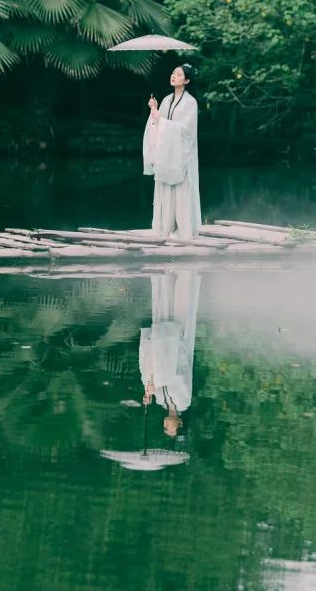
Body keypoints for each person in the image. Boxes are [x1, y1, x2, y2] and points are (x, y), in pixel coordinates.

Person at [143, 64, 202, 240]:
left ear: (187, 80)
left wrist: (163, 121)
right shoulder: (167, 100)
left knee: (182, 192)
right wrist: (154, 109)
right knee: (165, 190)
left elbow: (187, 131)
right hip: (167, 154)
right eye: (173, 73)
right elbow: (158, 125)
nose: (174, 76)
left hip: (182, 155)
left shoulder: (190, 102)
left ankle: (183, 231)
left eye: (179, 74)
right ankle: (165, 229)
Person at [140, 270, 201, 437]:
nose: (166, 426)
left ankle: (166, 275)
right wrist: (158, 382)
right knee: (180, 310)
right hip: (176, 351)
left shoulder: (161, 401)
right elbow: (182, 378)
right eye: (170, 429)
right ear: (180, 423)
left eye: (165, 429)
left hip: (162, 347)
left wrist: (148, 392)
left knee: (163, 311)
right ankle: (184, 273)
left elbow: (152, 373)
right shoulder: (183, 402)